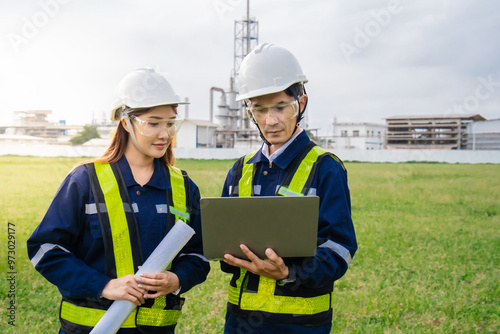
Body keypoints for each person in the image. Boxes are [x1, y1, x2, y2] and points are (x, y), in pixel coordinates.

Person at [27, 68, 210, 334]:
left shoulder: (183, 187)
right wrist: (102, 285)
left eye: (170, 123)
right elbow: (45, 248)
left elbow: (199, 253)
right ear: (126, 122)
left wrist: (176, 279)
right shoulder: (84, 181)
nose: (165, 134)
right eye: (154, 122)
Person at [220, 43, 357, 333]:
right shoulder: (240, 170)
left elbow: (340, 248)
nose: (271, 121)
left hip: (300, 326)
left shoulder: (326, 168)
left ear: (301, 103)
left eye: (280, 107)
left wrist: (288, 272)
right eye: (259, 109)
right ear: (249, 112)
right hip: (240, 323)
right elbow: (223, 247)